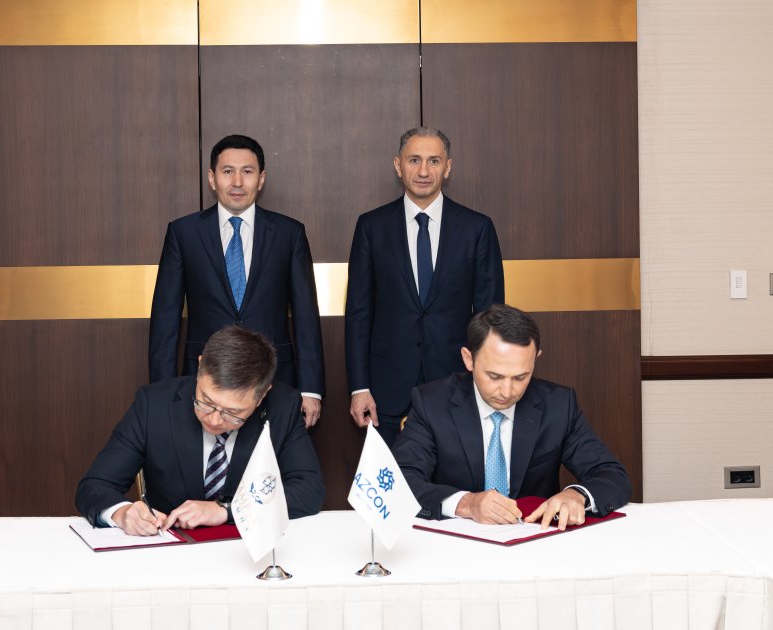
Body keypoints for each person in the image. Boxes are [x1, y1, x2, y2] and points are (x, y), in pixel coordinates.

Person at [392, 304, 631, 529]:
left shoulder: (559, 404)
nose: (507, 392)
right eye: (494, 376)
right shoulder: (431, 403)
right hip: (455, 544)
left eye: (520, 377)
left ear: (535, 359)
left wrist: (577, 495)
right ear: (468, 359)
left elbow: (613, 475)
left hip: (535, 542)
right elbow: (399, 481)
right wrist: (467, 504)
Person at [76, 326, 325, 535]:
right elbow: (95, 484)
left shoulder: (283, 407)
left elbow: (309, 490)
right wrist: (121, 513)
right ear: (199, 367)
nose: (214, 420)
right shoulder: (153, 404)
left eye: (233, 413)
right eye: (205, 401)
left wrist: (226, 510)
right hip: (168, 550)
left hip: (247, 551)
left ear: (262, 397)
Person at [149, 135, 325, 427]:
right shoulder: (183, 233)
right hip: (204, 386)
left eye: (247, 171)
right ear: (212, 177)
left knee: (270, 456)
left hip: (274, 382)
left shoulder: (289, 233)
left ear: (261, 178)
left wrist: (310, 390)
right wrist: (162, 392)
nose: (238, 182)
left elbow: (306, 317)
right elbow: (165, 321)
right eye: (228, 171)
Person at [345, 127, 504, 446]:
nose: (423, 171)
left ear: (447, 167)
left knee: (453, 476)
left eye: (434, 161)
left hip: (457, 382)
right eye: (414, 160)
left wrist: (487, 384)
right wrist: (359, 388)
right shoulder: (372, 226)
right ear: (398, 165)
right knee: (392, 477)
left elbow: (490, 317)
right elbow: (358, 314)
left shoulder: (476, 228)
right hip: (386, 388)